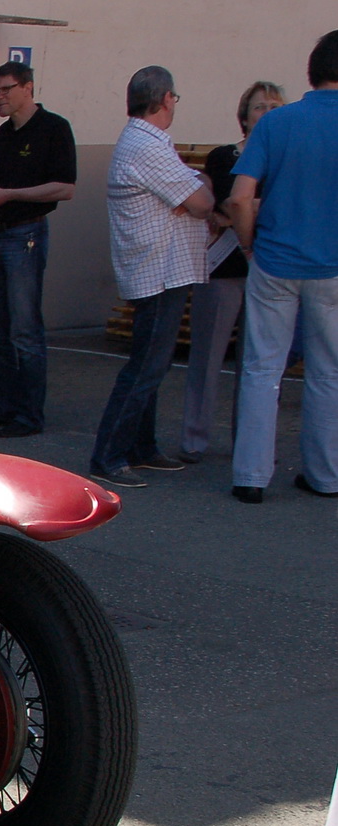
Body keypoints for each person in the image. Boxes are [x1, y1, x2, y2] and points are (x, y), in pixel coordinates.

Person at [87, 68, 214, 489]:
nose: (176, 103)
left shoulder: (147, 143)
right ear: (162, 99)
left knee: (152, 367)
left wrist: (192, 191)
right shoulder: (147, 145)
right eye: (174, 96)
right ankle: (109, 455)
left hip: (163, 268)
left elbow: (192, 196)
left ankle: (142, 447)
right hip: (158, 271)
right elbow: (200, 201)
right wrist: (196, 190)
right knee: (146, 367)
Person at [227, 30, 338, 504]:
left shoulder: (275, 123)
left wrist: (250, 246)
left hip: (274, 259)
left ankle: (251, 475)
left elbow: (239, 197)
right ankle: (326, 474)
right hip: (331, 265)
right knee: (328, 372)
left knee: (260, 369)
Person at [0, 61, 77, 438]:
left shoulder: (53, 129)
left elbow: (64, 187)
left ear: (27, 87)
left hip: (25, 234)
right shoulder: (3, 134)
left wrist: (10, 194)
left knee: (24, 329)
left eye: (4, 90)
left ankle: (29, 415)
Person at [178, 82, 287, 465]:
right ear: (244, 116)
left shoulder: (287, 157)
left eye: (276, 106)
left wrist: (246, 210)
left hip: (271, 271)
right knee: (207, 355)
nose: (268, 112)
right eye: (260, 107)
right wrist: (253, 209)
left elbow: (250, 209)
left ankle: (250, 441)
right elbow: (231, 201)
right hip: (224, 269)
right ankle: (194, 437)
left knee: (257, 362)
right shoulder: (226, 157)